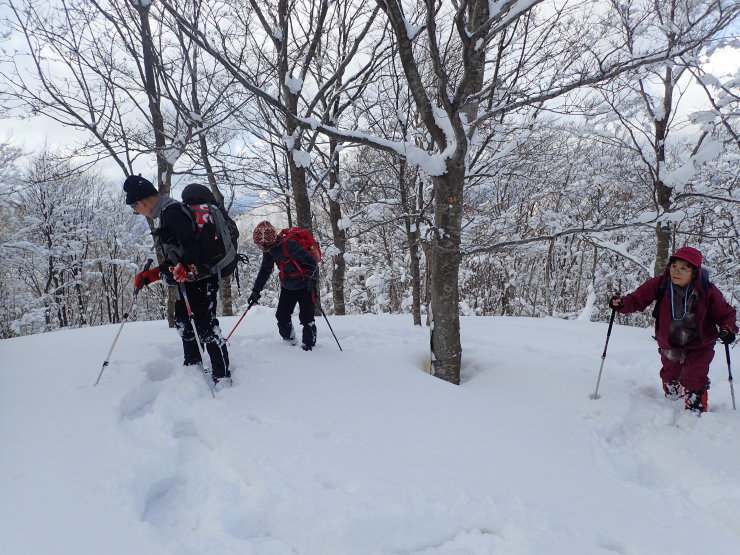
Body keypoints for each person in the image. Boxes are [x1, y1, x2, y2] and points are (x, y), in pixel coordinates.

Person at [123, 175, 231, 387]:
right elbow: (178, 255)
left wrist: (187, 268)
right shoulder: (167, 212)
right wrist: (152, 275)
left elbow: (191, 248)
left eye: (134, 207)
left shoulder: (171, 212)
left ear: (141, 202)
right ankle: (192, 363)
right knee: (184, 320)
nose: (136, 212)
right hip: (192, 280)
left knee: (206, 326)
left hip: (201, 279)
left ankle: (222, 374)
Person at [609, 246, 737, 413]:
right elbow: (637, 299)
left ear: (694, 272)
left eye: (684, 269)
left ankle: (695, 404)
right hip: (670, 340)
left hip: (700, 342)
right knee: (671, 372)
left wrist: (728, 329)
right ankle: (672, 385)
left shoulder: (707, 290)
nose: (677, 272)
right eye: (674, 267)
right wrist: (622, 304)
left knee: (694, 374)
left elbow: (725, 313)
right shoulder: (661, 284)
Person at [249, 221, 319, 350]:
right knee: (282, 316)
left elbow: (312, 262)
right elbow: (265, 270)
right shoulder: (269, 250)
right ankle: (289, 342)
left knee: (307, 318)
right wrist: (256, 290)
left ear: (272, 239)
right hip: (287, 286)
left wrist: (312, 280)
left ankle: (309, 346)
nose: (263, 248)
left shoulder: (290, 245)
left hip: (305, 285)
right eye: (261, 245)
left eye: (265, 245)